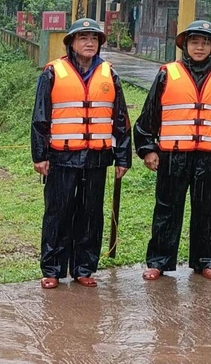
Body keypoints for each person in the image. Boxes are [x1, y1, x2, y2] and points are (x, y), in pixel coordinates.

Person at [135, 20, 211, 281]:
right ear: (185, 45)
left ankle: (204, 261)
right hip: (173, 155)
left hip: (210, 157)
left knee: (207, 210)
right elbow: (150, 114)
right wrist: (148, 148)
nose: (200, 47)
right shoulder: (167, 73)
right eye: (195, 42)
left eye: (205, 43)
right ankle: (159, 262)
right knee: (167, 209)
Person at [32, 18, 132, 289]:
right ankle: (53, 269)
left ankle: (83, 268)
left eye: (94, 38)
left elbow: (120, 118)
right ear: (72, 43)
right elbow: (40, 117)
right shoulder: (52, 73)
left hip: (97, 158)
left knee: (90, 214)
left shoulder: (110, 74)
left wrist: (123, 157)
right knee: (58, 212)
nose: (89, 43)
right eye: (83, 38)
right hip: (62, 157)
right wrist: (40, 155)